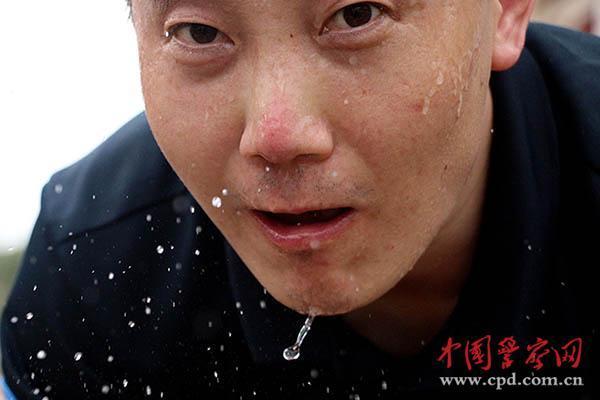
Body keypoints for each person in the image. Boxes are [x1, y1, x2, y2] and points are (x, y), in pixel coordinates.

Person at [1, 0, 598, 398]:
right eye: (199, 32)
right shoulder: (94, 273)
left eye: (357, 14)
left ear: (504, 9)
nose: (277, 136)